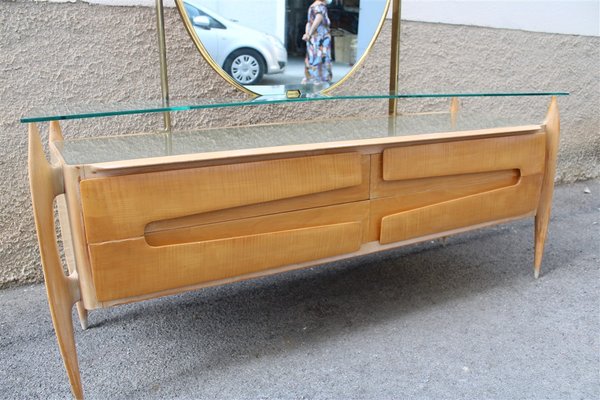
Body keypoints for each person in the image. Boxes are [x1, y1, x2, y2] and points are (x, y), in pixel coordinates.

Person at [302, 0, 333, 85]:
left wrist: (307, 33)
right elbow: (318, 19)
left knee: (312, 58)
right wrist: (310, 33)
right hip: (321, 38)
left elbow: (308, 23)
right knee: (321, 58)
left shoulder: (312, 6)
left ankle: (311, 79)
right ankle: (320, 81)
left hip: (313, 39)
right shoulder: (320, 6)